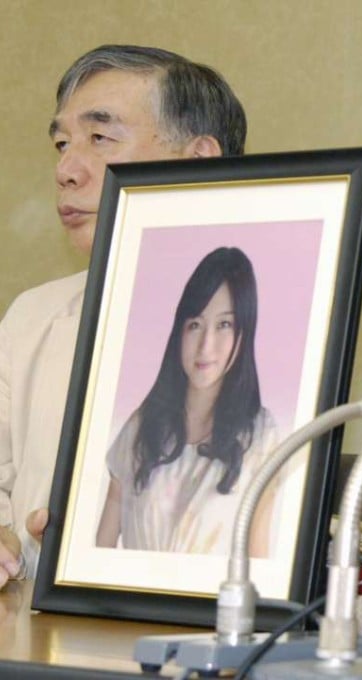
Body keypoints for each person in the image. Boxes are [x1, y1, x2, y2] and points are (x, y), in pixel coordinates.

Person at [0, 45, 245, 585]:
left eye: (100, 138)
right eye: (62, 144)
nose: (66, 170)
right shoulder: (32, 316)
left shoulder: (283, 325)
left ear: (198, 162)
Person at [94, 247, 277, 556]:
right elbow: (102, 548)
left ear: (244, 333)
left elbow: (258, 562)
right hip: (131, 588)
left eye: (224, 325)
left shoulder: (261, 436)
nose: (206, 346)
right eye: (195, 324)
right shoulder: (142, 426)